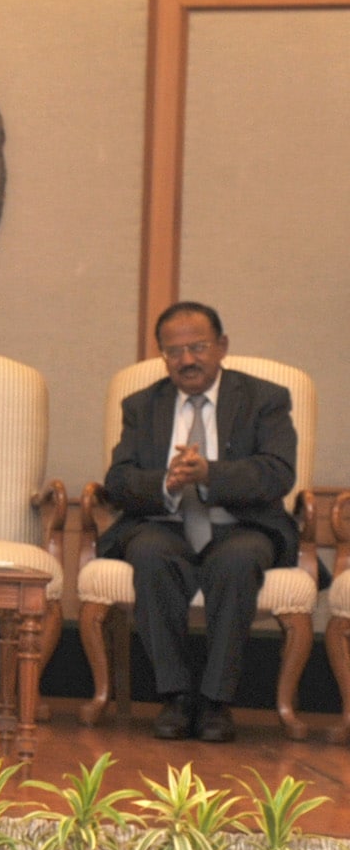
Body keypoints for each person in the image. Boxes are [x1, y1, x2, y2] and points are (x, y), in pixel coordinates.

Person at [97, 301, 297, 744]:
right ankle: (177, 696)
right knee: (148, 552)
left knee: (236, 560)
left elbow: (279, 473)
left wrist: (211, 475)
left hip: (241, 523)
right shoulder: (142, 405)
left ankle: (216, 702)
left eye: (199, 347)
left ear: (222, 346)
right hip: (164, 521)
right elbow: (118, 480)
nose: (187, 360)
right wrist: (164, 482)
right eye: (175, 351)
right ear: (163, 356)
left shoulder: (265, 400)